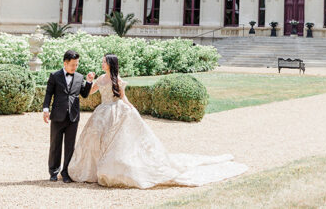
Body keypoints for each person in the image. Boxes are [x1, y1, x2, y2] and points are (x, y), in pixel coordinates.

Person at [68, 54, 247, 188]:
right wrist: (89, 81)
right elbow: (90, 93)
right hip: (102, 112)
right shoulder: (100, 78)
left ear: (110, 64)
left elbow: (124, 98)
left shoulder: (118, 80)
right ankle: (92, 170)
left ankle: (109, 170)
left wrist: (131, 108)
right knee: (95, 139)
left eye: (104, 61)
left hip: (115, 111)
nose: (102, 63)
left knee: (115, 142)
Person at [42, 49, 94, 182]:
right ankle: (53, 172)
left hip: (73, 116)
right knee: (55, 144)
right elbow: (49, 94)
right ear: (65, 63)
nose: (75, 67)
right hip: (58, 115)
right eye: (72, 65)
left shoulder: (79, 77)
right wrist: (46, 109)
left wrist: (88, 82)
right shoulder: (54, 75)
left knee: (70, 146)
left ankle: (66, 173)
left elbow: (84, 94)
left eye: (76, 65)